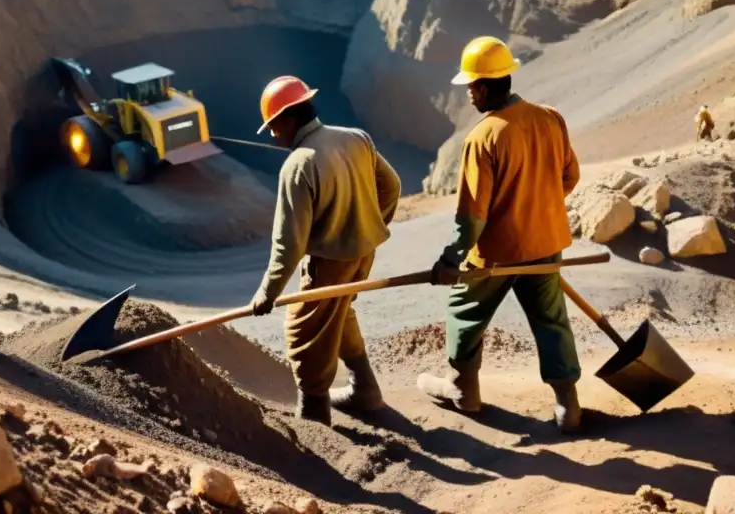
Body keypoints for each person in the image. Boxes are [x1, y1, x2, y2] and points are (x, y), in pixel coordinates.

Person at [416, 36, 584, 434]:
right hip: (545, 246)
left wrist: (451, 259)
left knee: (464, 312)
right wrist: (536, 209)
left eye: (472, 87)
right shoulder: (550, 118)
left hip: (495, 255)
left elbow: (472, 217)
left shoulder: (484, 136)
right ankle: (568, 407)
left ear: (488, 86)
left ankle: (463, 392)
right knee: (551, 320)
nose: (469, 94)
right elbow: (570, 176)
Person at [249, 76, 401, 426]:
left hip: (330, 263)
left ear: (288, 119)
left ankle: (315, 418)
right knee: (339, 310)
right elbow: (391, 186)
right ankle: (366, 390)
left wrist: (267, 293)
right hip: (364, 254)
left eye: (273, 127)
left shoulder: (297, 165)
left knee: (304, 333)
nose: (274, 135)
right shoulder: (356, 137)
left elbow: (289, 245)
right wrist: (371, 226)